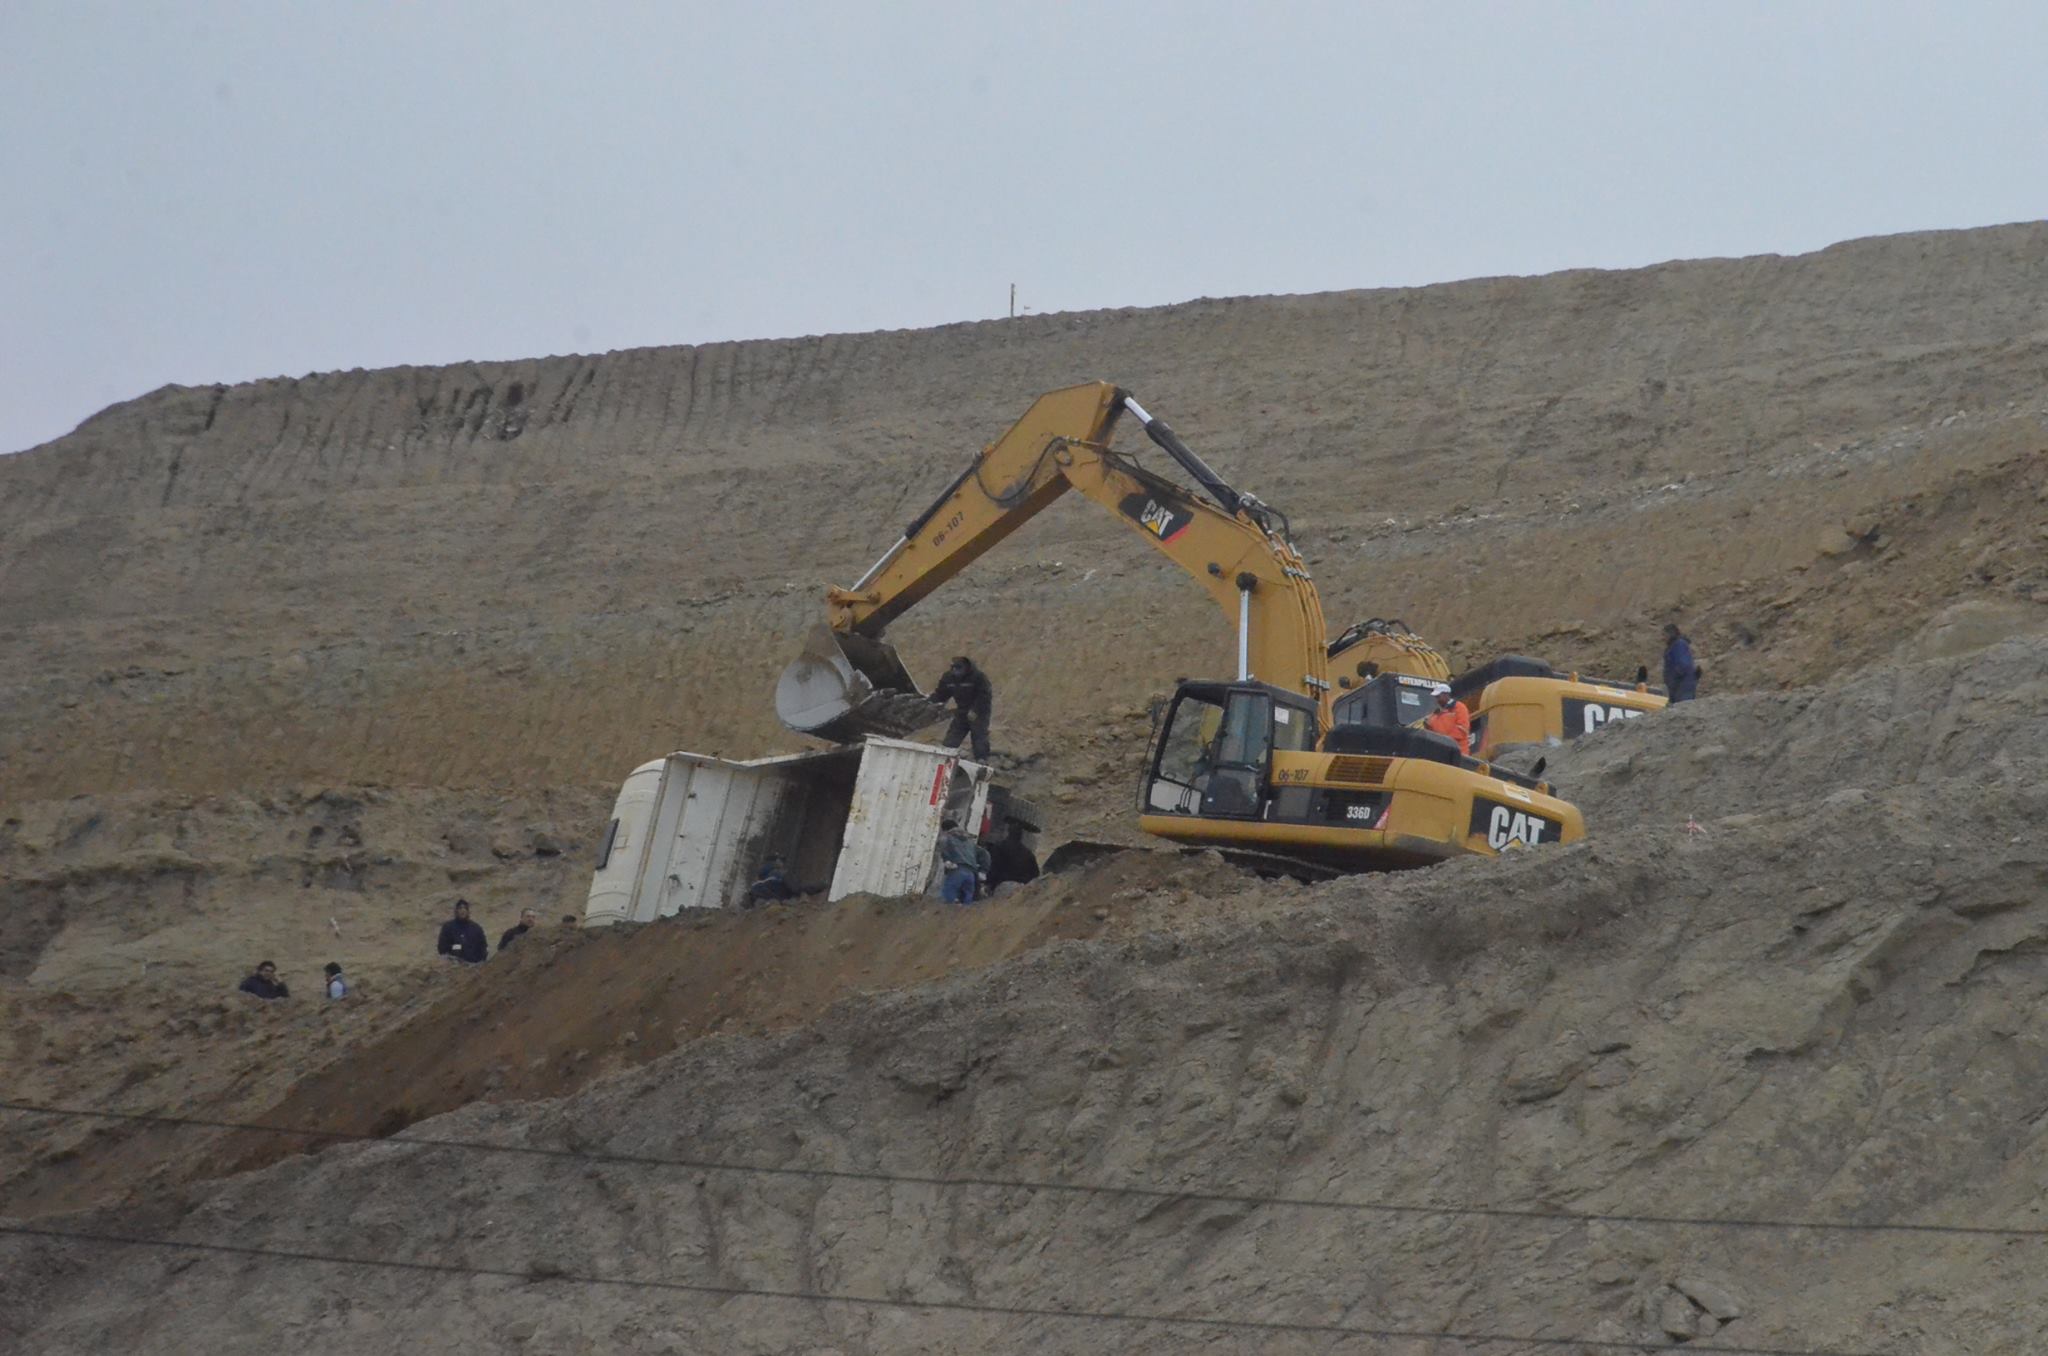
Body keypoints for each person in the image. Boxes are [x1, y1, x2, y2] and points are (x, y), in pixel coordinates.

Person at [928, 656, 994, 760]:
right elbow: (941, 693)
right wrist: (931, 702)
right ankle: (945, 757)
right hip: (962, 710)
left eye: (959, 668)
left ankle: (982, 760)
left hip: (979, 711)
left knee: (979, 735)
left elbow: (985, 696)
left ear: (966, 668)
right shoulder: (948, 678)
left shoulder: (978, 677)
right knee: (953, 736)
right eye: (953, 668)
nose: (955, 671)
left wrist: (975, 710)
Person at [936, 818, 990, 905]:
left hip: (957, 870)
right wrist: (983, 871)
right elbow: (985, 853)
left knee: (948, 900)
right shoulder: (969, 841)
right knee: (967, 906)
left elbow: (943, 844)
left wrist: (947, 860)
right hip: (972, 874)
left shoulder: (947, 837)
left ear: (944, 830)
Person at [985, 822, 1040, 891]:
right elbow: (1035, 874)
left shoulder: (999, 847)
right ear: (1021, 836)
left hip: (1002, 885)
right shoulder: (1028, 853)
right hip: (1020, 889)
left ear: (1008, 833)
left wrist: (989, 883)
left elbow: (994, 867)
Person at [437, 898, 489, 963]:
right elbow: (441, 948)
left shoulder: (476, 928)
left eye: (465, 908)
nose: (462, 910)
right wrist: (454, 948)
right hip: (454, 965)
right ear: (456, 911)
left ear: (468, 911)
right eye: (460, 908)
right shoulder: (448, 927)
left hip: (474, 966)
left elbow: (483, 947)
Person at [1424, 687, 1472, 756]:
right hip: (1443, 753)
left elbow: (1462, 730)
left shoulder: (1459, 707)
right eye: (1436, 697)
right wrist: (1428, 726)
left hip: (1459, 753)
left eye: (1438, 697)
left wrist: (1444, 740)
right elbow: (1433, 733)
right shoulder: (1435, 714)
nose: (1437, 700)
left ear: (1446, 695)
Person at [1662, 623, 1700, 702]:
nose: (1663, 638)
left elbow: (1683, 665)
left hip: (1683, 686)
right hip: (1678, 686)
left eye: (1664, 635)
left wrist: (1674, 679)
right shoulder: (1674, 645)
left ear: (1670, 634)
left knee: (1683, 708)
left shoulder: (1679, 645)